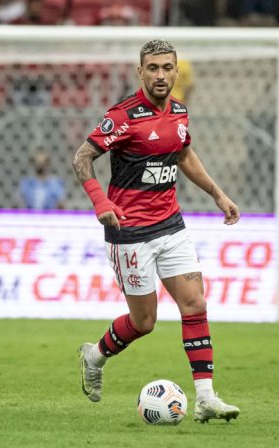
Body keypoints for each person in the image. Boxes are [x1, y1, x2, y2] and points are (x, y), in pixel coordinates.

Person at [72, 39, 241, 423]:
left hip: (171, 225)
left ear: (176, 71)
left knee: (195, 303)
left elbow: (183, 154)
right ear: (140, 72)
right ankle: (94, 354)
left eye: (167, 68)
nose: (160, 75)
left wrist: (217, 193)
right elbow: (82, 157)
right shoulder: (123, 116)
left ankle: (206, 397)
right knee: (144, 323)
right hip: (130, 232)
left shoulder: (180, 112)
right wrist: (101, 201)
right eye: (153, 68)